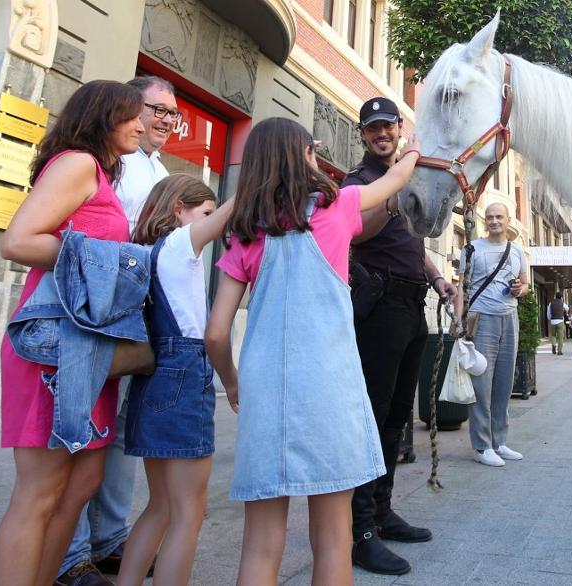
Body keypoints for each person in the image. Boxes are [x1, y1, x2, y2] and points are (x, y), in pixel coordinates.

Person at [205, 117, 422, 584]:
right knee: (333, 539)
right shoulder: (338, 208)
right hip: (329, 388)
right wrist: (416, 147)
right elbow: (396, 179)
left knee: (261, 545)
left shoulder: (244, 234)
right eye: (311, 149)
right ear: (304, 157)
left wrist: (232, 381)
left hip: (265, 392)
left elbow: (216, 334)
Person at [0, 80, 144, 586]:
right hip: (54, 345)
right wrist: (105, 261)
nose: (142, 125)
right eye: (132, 115)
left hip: (89, 349)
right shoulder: (77, 162)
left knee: (82, 482)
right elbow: (17, 240)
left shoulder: (99, 174)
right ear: (103, 116)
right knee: (39, 492)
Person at [58, 75, 178, 586]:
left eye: (173, 115)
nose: (164, 122)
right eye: (156, 110)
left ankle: (108, 540)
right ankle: (68, 557)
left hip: (138, 318)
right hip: (96, 316)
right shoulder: (105, 163)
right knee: (79, 434)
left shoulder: (159, 167)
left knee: (120, 433)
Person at [343, 97, 456, 575]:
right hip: (379, 306)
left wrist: (437, 279)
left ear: (398, 128)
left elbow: (412, 244)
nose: (380, 134)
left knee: (395, 418)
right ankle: (361, 530)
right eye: (372, 130)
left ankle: (384, 512)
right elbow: (357, 231)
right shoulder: (358, 181)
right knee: (372, 415)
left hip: (413, 305)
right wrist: (392, 195)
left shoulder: (406, 176)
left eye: (387, 126)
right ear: (364, 135)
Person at [114, 175, 233, 585]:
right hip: (184, 372)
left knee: (160, 505)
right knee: (188, 511)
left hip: (154, 377)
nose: (211, 222)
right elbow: (238, 204)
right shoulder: (179, 246)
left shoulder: (148, 251)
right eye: (204, 213)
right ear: (178, 209)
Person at [460, 203, 530, 467]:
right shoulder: (473, 249)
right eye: (489, 217)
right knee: (481, 384)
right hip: (482, 319)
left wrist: (518, 290)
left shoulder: (517, 251)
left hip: (509, 318)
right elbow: (462, 288)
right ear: (484, 221)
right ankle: (482, 446)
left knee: (504, 384)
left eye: (499, 216)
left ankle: (499, 442)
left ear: (508, 220)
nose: (494, 221)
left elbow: (525, 283)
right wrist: (459, 321)